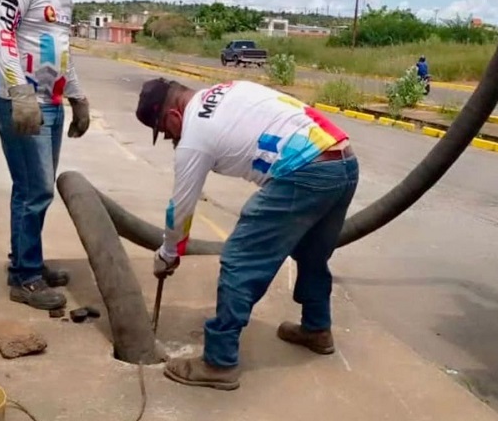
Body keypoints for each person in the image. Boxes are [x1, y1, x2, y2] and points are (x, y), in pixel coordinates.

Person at [136, 77, 359, 390]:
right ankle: (317, 328)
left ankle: (219, 362)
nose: (172, 137)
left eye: (166, 131)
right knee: (312, 253)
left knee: (239, 260)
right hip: (343, 161)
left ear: (173, 116)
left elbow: (180, 210)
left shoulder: (193, 137)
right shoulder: (227, 89)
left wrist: (168, 253)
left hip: (304, 171)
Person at [0, 0, 103, 310]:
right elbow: (2, 36)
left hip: (50, 103)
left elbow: (61, 54)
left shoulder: (63, 0)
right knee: (34, 189)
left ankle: (28, 262)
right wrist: (19, 91)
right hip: (20, 100)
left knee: (37, 189)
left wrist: (78, 96)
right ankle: (25, 277)